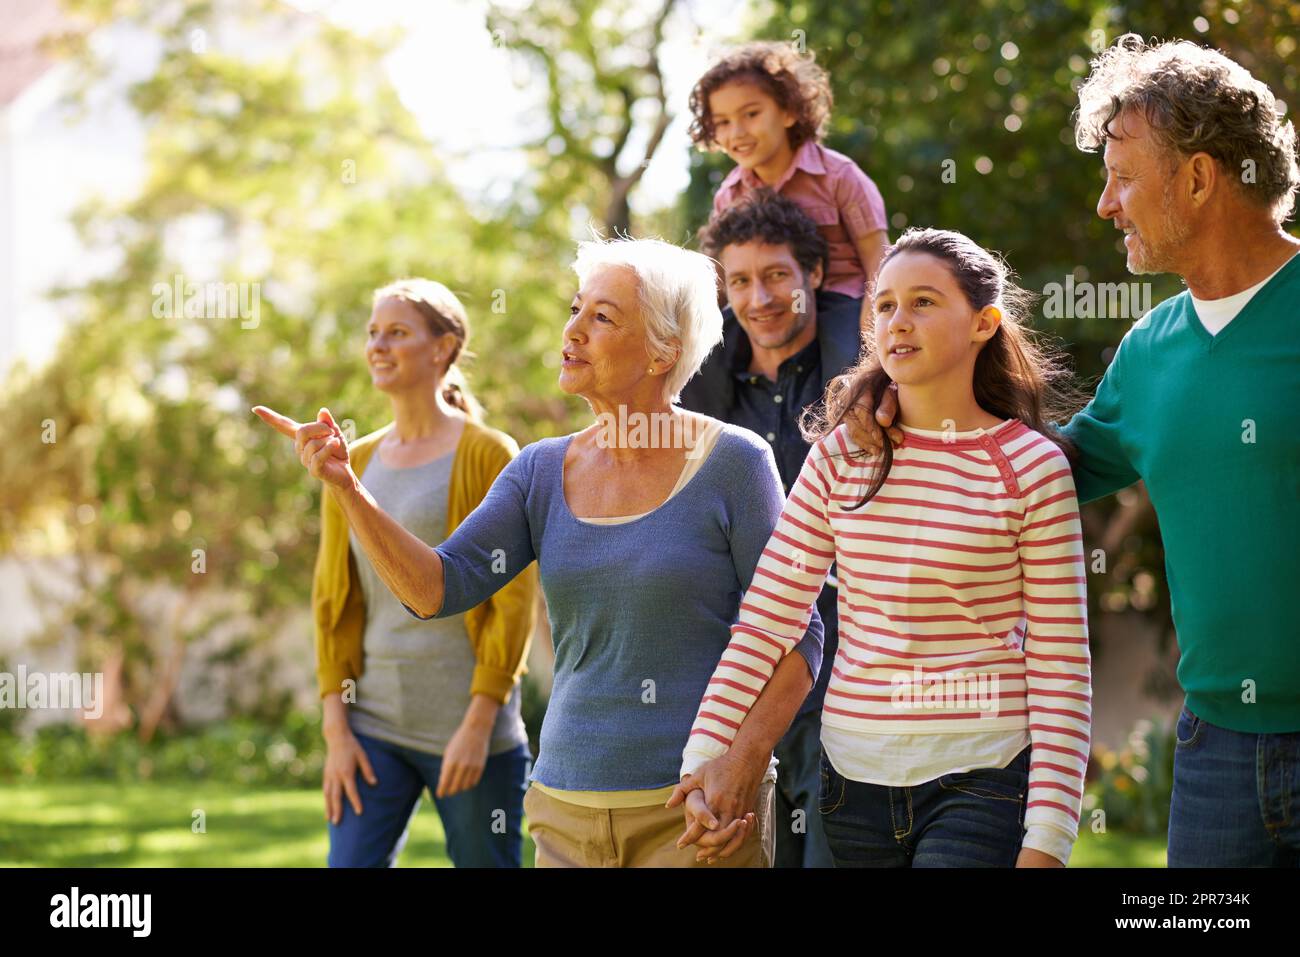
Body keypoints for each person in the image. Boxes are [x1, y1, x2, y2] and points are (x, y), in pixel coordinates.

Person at [850, 35, 1300, 867]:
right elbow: (1031, 467)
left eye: (1123, 176)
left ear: (1198, 179)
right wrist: (900, 404)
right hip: (1217, 755)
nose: (1106, 203)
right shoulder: (1152, 349)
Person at [256, 238, 823, 868]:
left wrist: (743, 763)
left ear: (664, 349)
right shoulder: (539, 471)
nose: (572, 330)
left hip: (697, 810)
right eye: (575, 309)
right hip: (564, 809)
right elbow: (434, 589)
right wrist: (349, 488)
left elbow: (801, 632)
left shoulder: (734, 464)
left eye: (602, 317)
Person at [675, 228, 1092, 867]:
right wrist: (705, 755)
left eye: (924, 302)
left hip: (983, 774)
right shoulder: (842, 455)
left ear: (984, 324)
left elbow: (1061, 662)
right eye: (886, 306)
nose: (899, 321)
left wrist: (1049, 840)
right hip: (853, 785)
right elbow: (768, 619)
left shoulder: (1031, 466)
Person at [292, 279, 537, 867]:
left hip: (470, 728)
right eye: (373, 332)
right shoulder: (352, 464)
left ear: (443, 348)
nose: (378, 344)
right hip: (372, 724)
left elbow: (512, 599)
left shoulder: (489, 453)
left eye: (397, 332)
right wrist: (336, 727)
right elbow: (334, 599)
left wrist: (480, 722)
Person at [677, 188, 860, 867]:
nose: (760, 297)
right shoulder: (703, 389)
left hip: (849, 646)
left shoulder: (865, 369)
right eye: (741, 281)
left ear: (813, 273)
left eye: (778, 274)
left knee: (831, 843)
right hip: (744, 651)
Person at [688, 39, 889, 331]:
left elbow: (877, 256)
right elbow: (721, 277)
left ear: (789, 111)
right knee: (715, 355)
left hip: (841, 300)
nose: (738, 132)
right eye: (723, 122)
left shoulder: (838, 176)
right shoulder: (730, 196)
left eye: (751, 114)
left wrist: (872, 319)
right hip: (768, 304)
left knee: (842, 359)